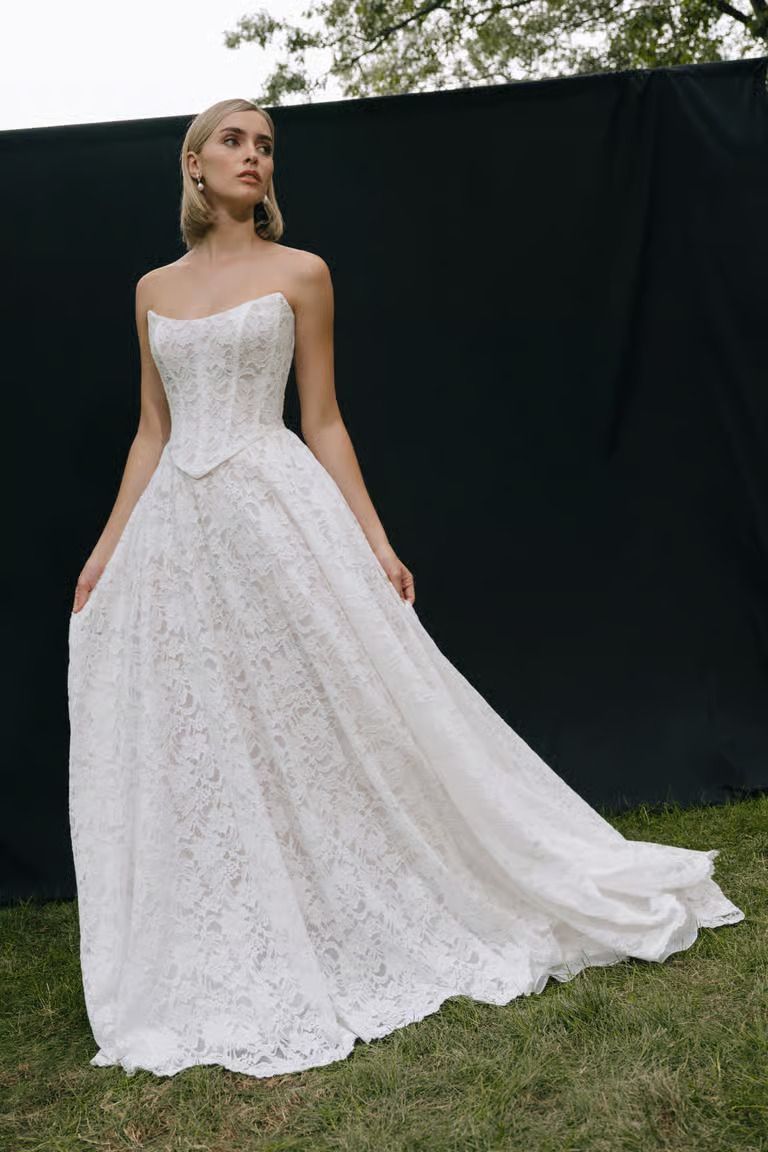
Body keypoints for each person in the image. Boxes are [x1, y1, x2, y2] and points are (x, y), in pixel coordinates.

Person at [67, 97, 744, 1080]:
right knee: (211, 728)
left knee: (326, 709)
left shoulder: (303, 274)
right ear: (193, 166)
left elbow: (325, 421)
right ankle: (253, 913)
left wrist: (376, 544)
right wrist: (104, 551)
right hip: (182, 531)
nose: (253, 156)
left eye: (265, 145)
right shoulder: (150, 291)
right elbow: (150, 432)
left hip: (273, 504)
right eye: (234, 142)